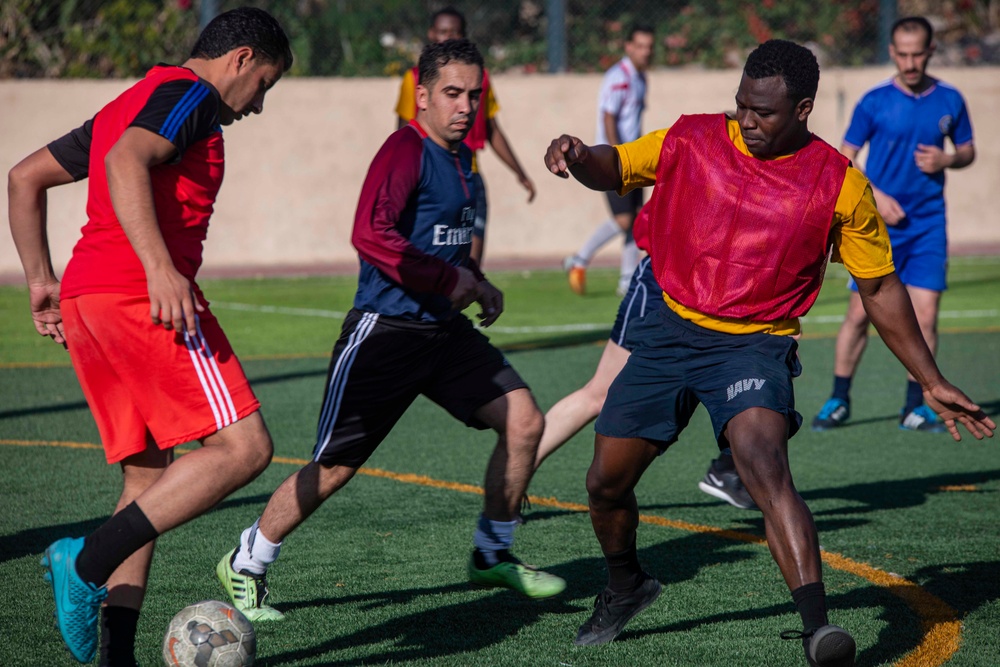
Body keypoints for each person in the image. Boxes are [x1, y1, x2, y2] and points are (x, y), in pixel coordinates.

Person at [543, 39, 993, 666]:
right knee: (604, 485)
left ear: (803, 108)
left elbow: (881, 288)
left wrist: (931, 378)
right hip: (668, 330)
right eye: (741, 106)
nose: (747, 121)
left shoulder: (840, 184)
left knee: (763, 464)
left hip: (755, 343)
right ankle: (626, 586)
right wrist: (576, 154)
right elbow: (612, 164)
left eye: (763, 112)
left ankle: (818, 630)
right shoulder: (690, 137)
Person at [216, 39, 565, 623]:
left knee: (525, 420)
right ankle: (247, 560)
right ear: (422, 96)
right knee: (333, 468)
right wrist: (444, 278)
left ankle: (492, 551)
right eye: (453, 93)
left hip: (444, 334)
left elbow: (446, 245)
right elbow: (369, 233)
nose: (465, 106)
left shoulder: (463, 160)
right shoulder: (405, 149)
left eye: (474, 95)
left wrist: (476, 282)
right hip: (385, 333)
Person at [6, 8, 292, 665]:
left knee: (147, 480)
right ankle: (83, 561)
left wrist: (40, 281)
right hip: (140, 297)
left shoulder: (133, 99)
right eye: (265, 84)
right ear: (241, 59)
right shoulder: (191, 95)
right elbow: (130, 161)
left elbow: (25, 177)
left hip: (88, 300)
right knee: (244, 447)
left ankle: (118, 653)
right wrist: (161, 267)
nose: (259, 104)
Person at [812, 16, 976, 433]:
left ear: (931, 51)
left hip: (927, 225)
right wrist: (878, 197)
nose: (910, 62)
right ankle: (839, 398)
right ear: (892, 52)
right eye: (902, 54)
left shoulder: (950, 100)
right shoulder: (874, 101)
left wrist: (948, 159)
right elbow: (844, 157)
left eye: (917, 53)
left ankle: (916, 406)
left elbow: (968, 150)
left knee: (926, 315)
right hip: (875, 226)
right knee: (857, 315)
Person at [535, 203, 757, 511]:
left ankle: (730, 467)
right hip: (667, 281)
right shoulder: (701, 158)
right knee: (598, 394)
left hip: (719, 290)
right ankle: (512, 478)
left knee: (753, 379)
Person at [395, 6, 535, 265]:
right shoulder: (413, 80)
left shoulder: (478, 78)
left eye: (455, 33)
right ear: (431, 34)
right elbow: (403, 133)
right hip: (430, 179)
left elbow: (492, 129)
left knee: (470, 266)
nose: (448, 38)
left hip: (468, 176)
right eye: (442, 32)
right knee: (430, 258)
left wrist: (519, 172)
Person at [564, 25, 654, 297]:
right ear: (628, 46)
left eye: (649, 46)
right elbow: (608, 117)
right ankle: (579, 258)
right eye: (640, 46)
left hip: (634, 156)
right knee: (625, 219)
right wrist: (617, 156)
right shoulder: (618, 77)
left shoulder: (641, 78)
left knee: (636, 219)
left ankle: (626, 280)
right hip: (617, 158)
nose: (645, 52)